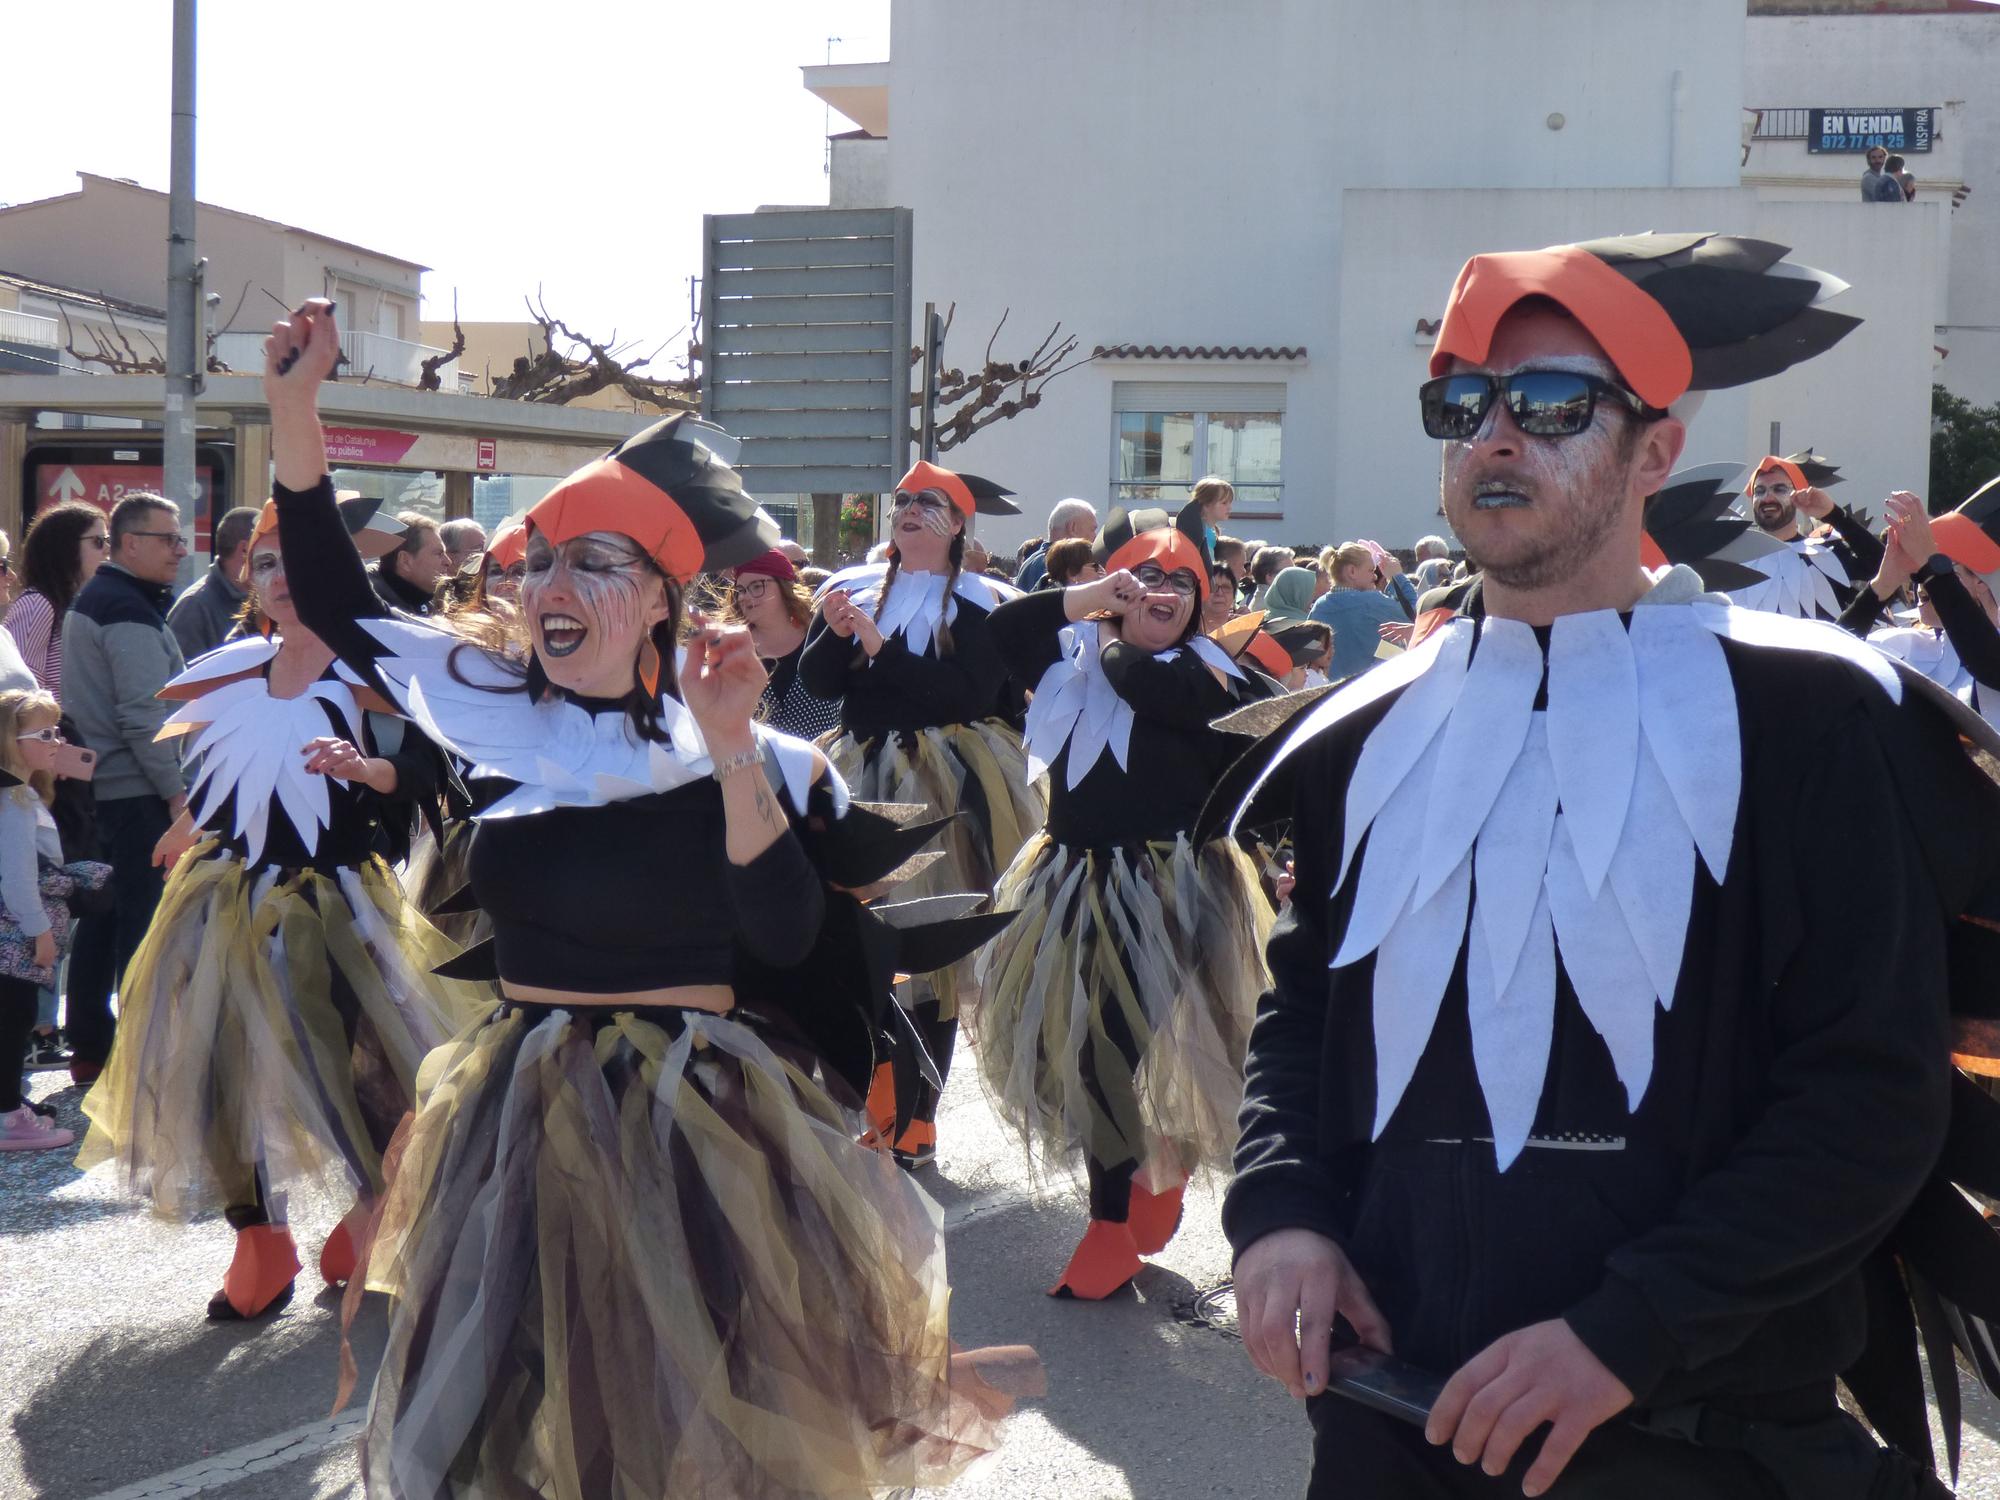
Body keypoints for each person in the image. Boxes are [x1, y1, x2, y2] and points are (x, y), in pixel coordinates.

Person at [1223, 232, 2000, 1498]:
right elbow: (1306, 1009)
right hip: (1386, 1429)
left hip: (1694, 1448)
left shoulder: (1814, 716)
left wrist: (1624, 1335)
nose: (1493, 437)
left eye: (1547, 405)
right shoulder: (1363, 729)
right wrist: (1280, 1216)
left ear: (1653, 451)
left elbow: (1867, 1092)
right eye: (1462, 406)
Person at [263, 300, 1029, 1495]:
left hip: (696, 1119)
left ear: (663, 598)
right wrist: (294, 409)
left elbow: (784, 931)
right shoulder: (491, 711)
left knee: (691, 1420)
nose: (547, 585)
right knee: (517, 1416)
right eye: (535, 566)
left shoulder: (757, 754)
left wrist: (730, 751)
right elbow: (337, 596)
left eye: (590, 565)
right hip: (519, 1102)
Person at [76, 498, 470, 1322]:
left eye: (297, 563)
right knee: (219, 1068)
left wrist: (370, 773)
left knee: (349, 1071)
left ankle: (373, 1214)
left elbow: (435, 770)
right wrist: (188, 824)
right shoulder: (228, 663)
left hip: (333, 899)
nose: (281, 579)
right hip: (221, 894)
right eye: (263, 564)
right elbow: (217, 767)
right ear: (244, 578)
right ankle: (260, 1239)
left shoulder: (375, 668)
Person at [979, 513, 1273, 1296]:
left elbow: (1154, 688)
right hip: (1070, 880)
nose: (1163, 590)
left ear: (1204, 601)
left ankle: (1112, 1222)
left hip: (1176, 893)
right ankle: (1140, 1180)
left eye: (1182, 582)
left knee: (1118, 1046)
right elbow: (1005, 627)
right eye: (1147, 576)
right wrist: (1090, 600)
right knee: (1079, 1053)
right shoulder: (1072, 656)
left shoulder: (1214, 675)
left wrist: (1114, 633)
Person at [803, 460, 1046, 1166]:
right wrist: (834, 632)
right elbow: (820, 684)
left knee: (929, 951)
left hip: (949, 781)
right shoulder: (853, 589)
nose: (908, 510)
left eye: (928, 503)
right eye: (903, 501)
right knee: (856, 941)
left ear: (957, 524)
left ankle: (918, 1115)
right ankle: (883, 1098)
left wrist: (879, 652)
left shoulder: (981, 602)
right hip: (859, 770)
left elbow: (962, 693)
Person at [60, 492, 189, 1086]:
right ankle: (139, 1057)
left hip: (109, 789)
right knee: (140, 925)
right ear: (129, 543)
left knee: (105, 920)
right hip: (136, 793)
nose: (180, 549)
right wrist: (177, 792)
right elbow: (145, 715)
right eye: (168, 538)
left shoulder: (110, 599)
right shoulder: (124, 607)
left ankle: (93, 1045)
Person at [0, 689, 88, 1151]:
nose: (58, 741)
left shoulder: (18, 793)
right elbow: (17, 879)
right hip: (13, 931)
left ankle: (9, 1104)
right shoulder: (12, 799)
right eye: (46, 734)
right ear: (12, 742)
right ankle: (7, 1116)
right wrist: (41, 935)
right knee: (13, 1016)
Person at [1845, 486, 2000, 730]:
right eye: (1919, 568)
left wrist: (1932, 570)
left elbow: (1989, 664)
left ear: (1980, 579)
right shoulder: (1902, 646)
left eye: (1944, 564)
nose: (1920, 580)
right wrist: (1880, 587)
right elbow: (1824, 666)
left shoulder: (1988, 654)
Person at [728, 547, 842, 740]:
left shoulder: (819, 635)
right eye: (740, 590)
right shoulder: (732, 649)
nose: (745, 596)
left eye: (757, 586)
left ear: (783, 586)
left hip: (821, 763)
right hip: (756, 765)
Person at [5, 502, 109, 699]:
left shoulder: (79, 604)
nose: (107, 550)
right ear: (66, 547)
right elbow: (19, 690)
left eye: (108, 540)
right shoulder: (38, 603)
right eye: (98, 541)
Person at [1310, 542, 1414, 682]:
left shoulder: (1319, 605)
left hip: (1328, 688)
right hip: (1366, 688)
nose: (1375, 576)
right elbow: (1415, 614)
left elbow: (1311, 650)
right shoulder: (1371, 601)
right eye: (1371, 570)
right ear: (1352, 571)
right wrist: (1396, 577)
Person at [167, 506, 259, 661]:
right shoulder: (194, 607)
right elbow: (186, 679)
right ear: (245, 549)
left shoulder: (266, 601)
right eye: (266, 546)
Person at [370, 511, 447, 615]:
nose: (448, 562)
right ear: (405, 561)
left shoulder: (424, 600)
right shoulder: (376, 614)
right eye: (439, 553)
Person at [1015, 497, 1099, 590]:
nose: (1095, 537)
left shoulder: (1034, 560)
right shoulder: (1052, 564)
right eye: (1092, 529)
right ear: (1073, 528)